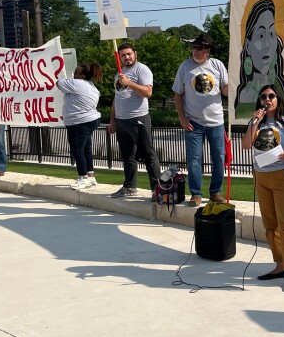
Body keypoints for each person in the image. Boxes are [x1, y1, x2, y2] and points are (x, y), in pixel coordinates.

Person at [241, 84, 284, 292]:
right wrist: (254, 122)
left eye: (271, 96)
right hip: (262, 176)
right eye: (263, 97)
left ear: (279, 99)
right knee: (270, 224)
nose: (267, 100)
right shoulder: (257, 122)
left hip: (283, 175)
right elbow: (246, 145)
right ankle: (280, 266)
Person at [172, 33, 229, 207]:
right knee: (194, 159)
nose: (195, 51)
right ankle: (196, 194)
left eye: (199, 48)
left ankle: (215, 192)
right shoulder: (185, 67)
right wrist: (182, 118)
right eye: (193, 48)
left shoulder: (217, 65)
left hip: (216, 121)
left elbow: (225, 90)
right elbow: (177, 94)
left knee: (219, 158)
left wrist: (236, 83)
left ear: (207, 50)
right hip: (193, 122)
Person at [108, 43, 162, 199]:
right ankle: (129, 186)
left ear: (135, 54)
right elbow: (117, 97)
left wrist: (129, 83)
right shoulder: (119, 74)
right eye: (123, 55)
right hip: (121, 121)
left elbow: (148, 92)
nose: (127, 57)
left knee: (148, 154)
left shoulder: (142, 70)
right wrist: (112, 120)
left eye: (129, 54)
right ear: (119, 57)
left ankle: (156, 189)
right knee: (127, 156)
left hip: (138, 118)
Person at [235, 0, 284, 119]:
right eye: (260, 36)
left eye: (271, 34)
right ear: (247, 45)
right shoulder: (244, 94)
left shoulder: (281, 87)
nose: (267, 45)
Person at [57, 62, 103, 190]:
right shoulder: (92, 86)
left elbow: (58, 83)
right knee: (86, 148)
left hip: (79, 122)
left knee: (77, 150)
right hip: (91, 119)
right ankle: (90, 175)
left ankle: (83, 177)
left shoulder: (77, 84)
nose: (73, 75)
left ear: (82, 76)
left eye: (75, 73)